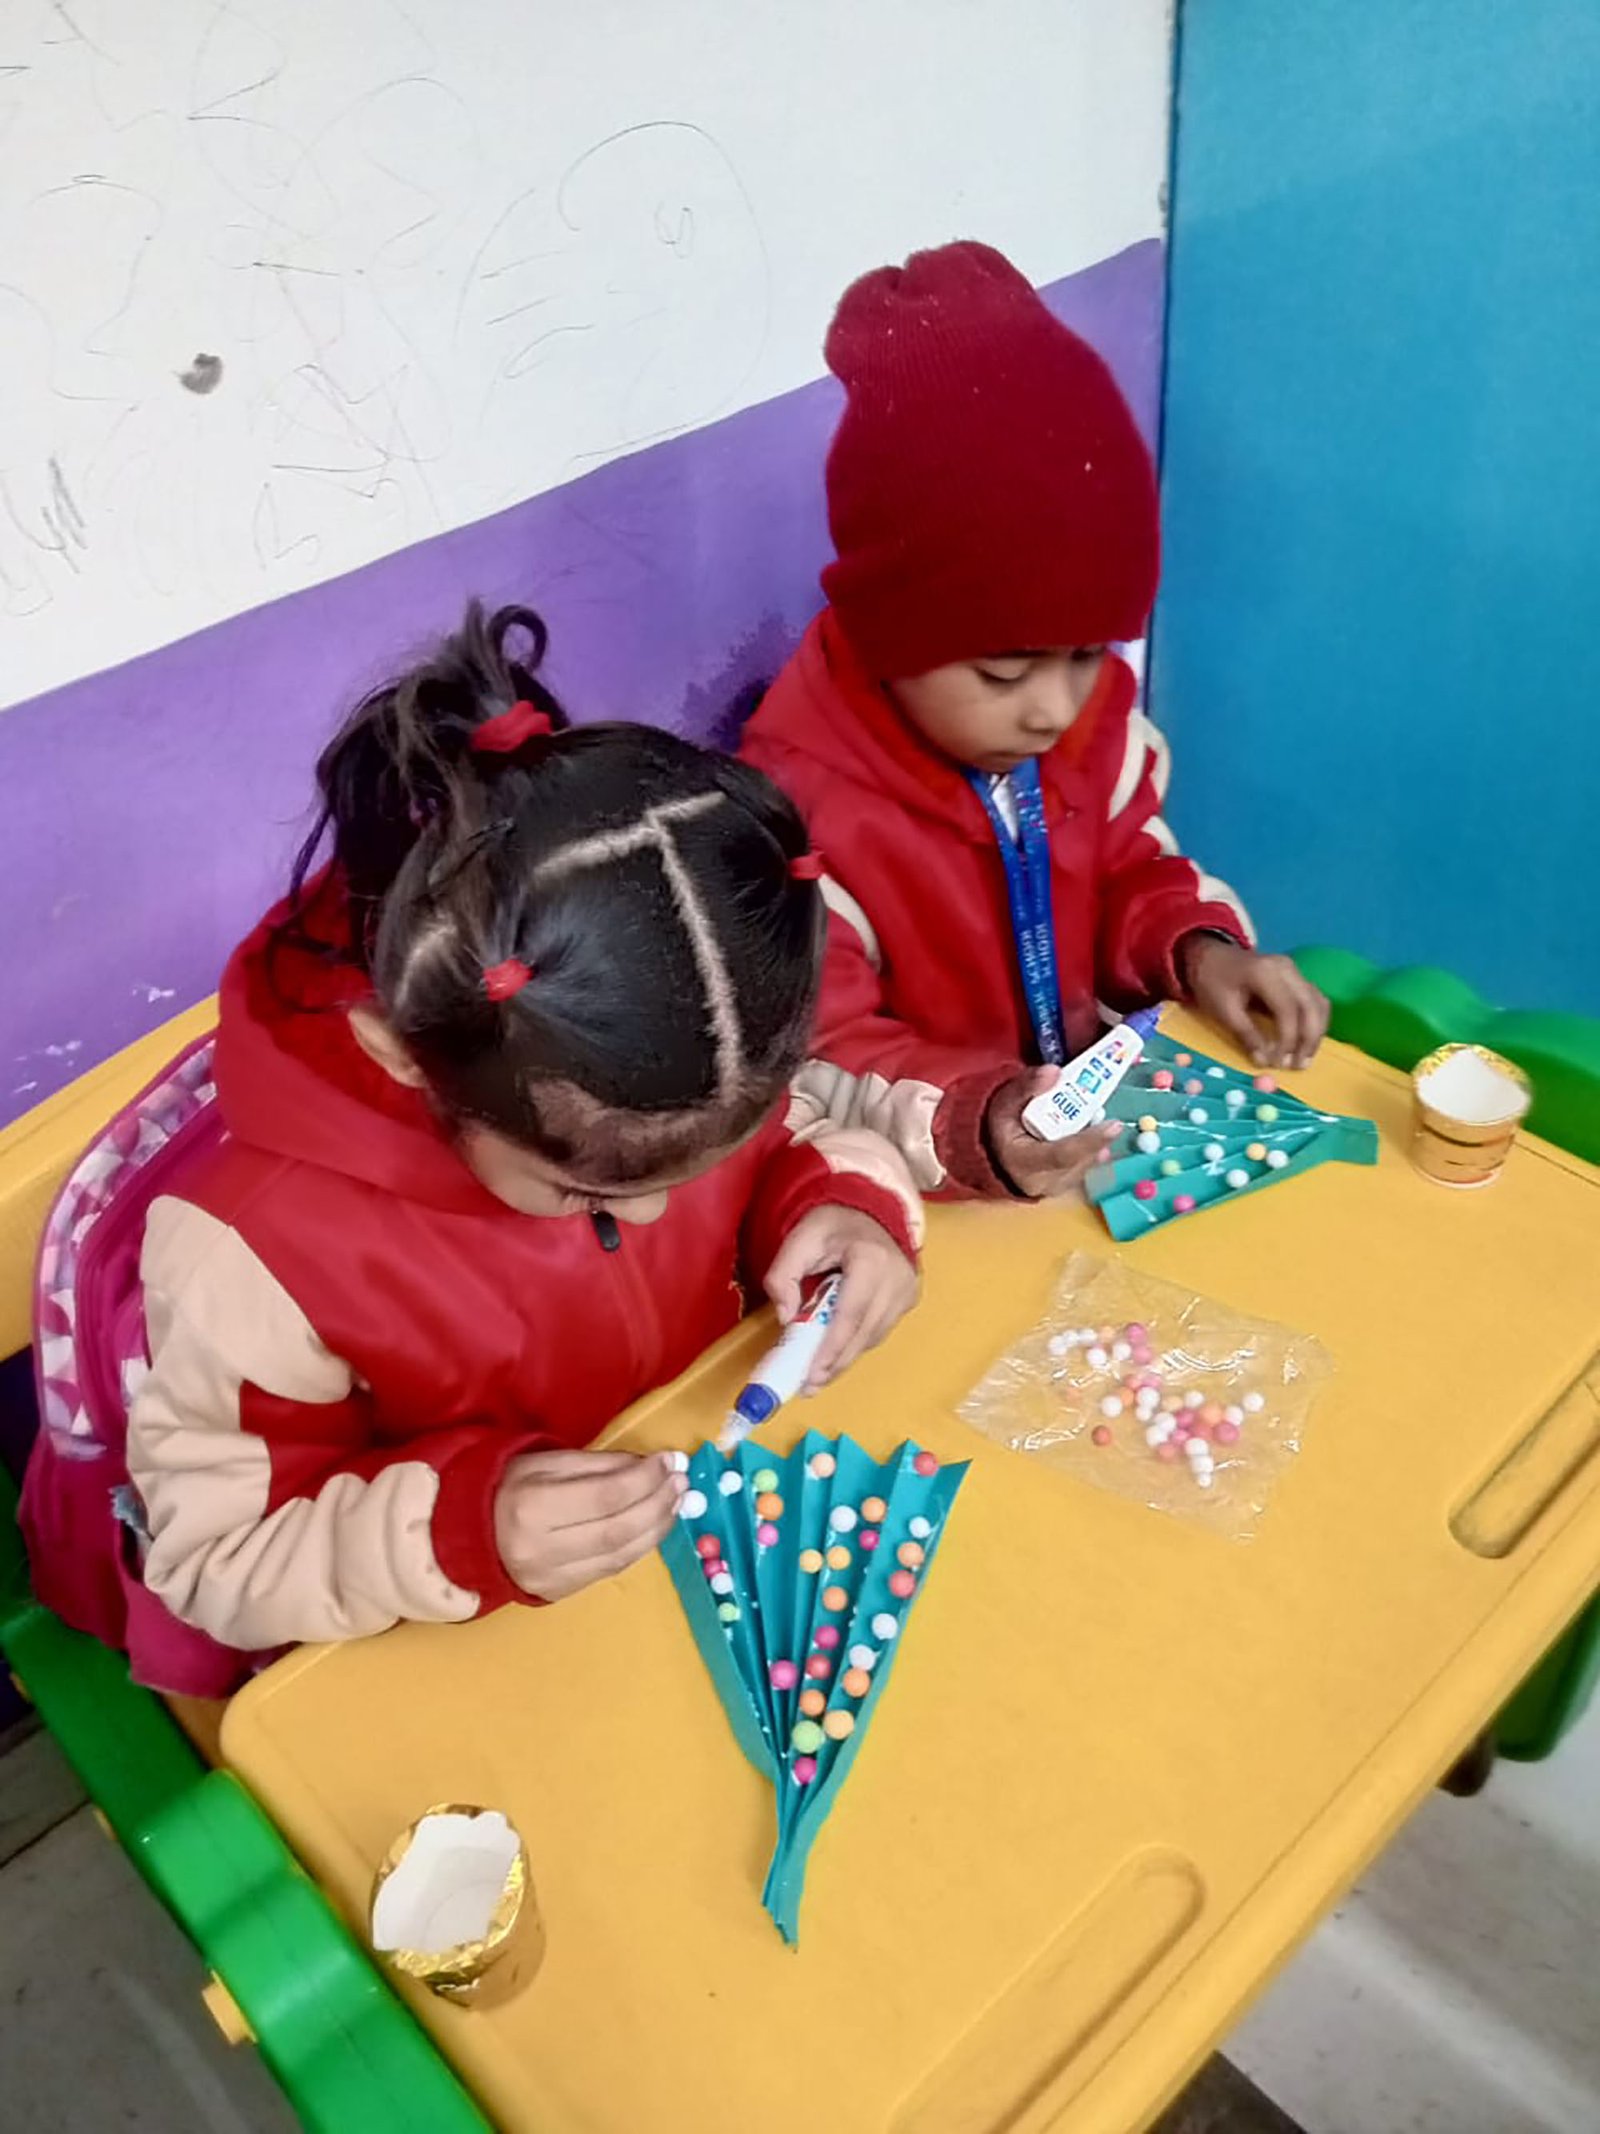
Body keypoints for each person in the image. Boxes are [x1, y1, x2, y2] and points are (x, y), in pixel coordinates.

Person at [117, 600, 920, 1675]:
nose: (651, 1212)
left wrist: (843, 1203)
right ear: (405, 1055)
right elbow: (214, 1561)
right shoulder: (249, 1257)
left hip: (660, 1597)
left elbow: (798, 1127)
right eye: (589, 1191)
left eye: (696, 1164)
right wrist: (466, 1530)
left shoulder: (669, 1047)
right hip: (449, 1651)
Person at [740, 241, 1328, 1202]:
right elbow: (824, 1057)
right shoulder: (798, 820)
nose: (1056, 708)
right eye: (1005, 671)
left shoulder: (1089, 728)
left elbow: (1132, 867)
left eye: (1089, 653)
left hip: (1089, 1156)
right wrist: (979, 1123)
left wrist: (1200, 952)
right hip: (940, 1197)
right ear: (893, 634)